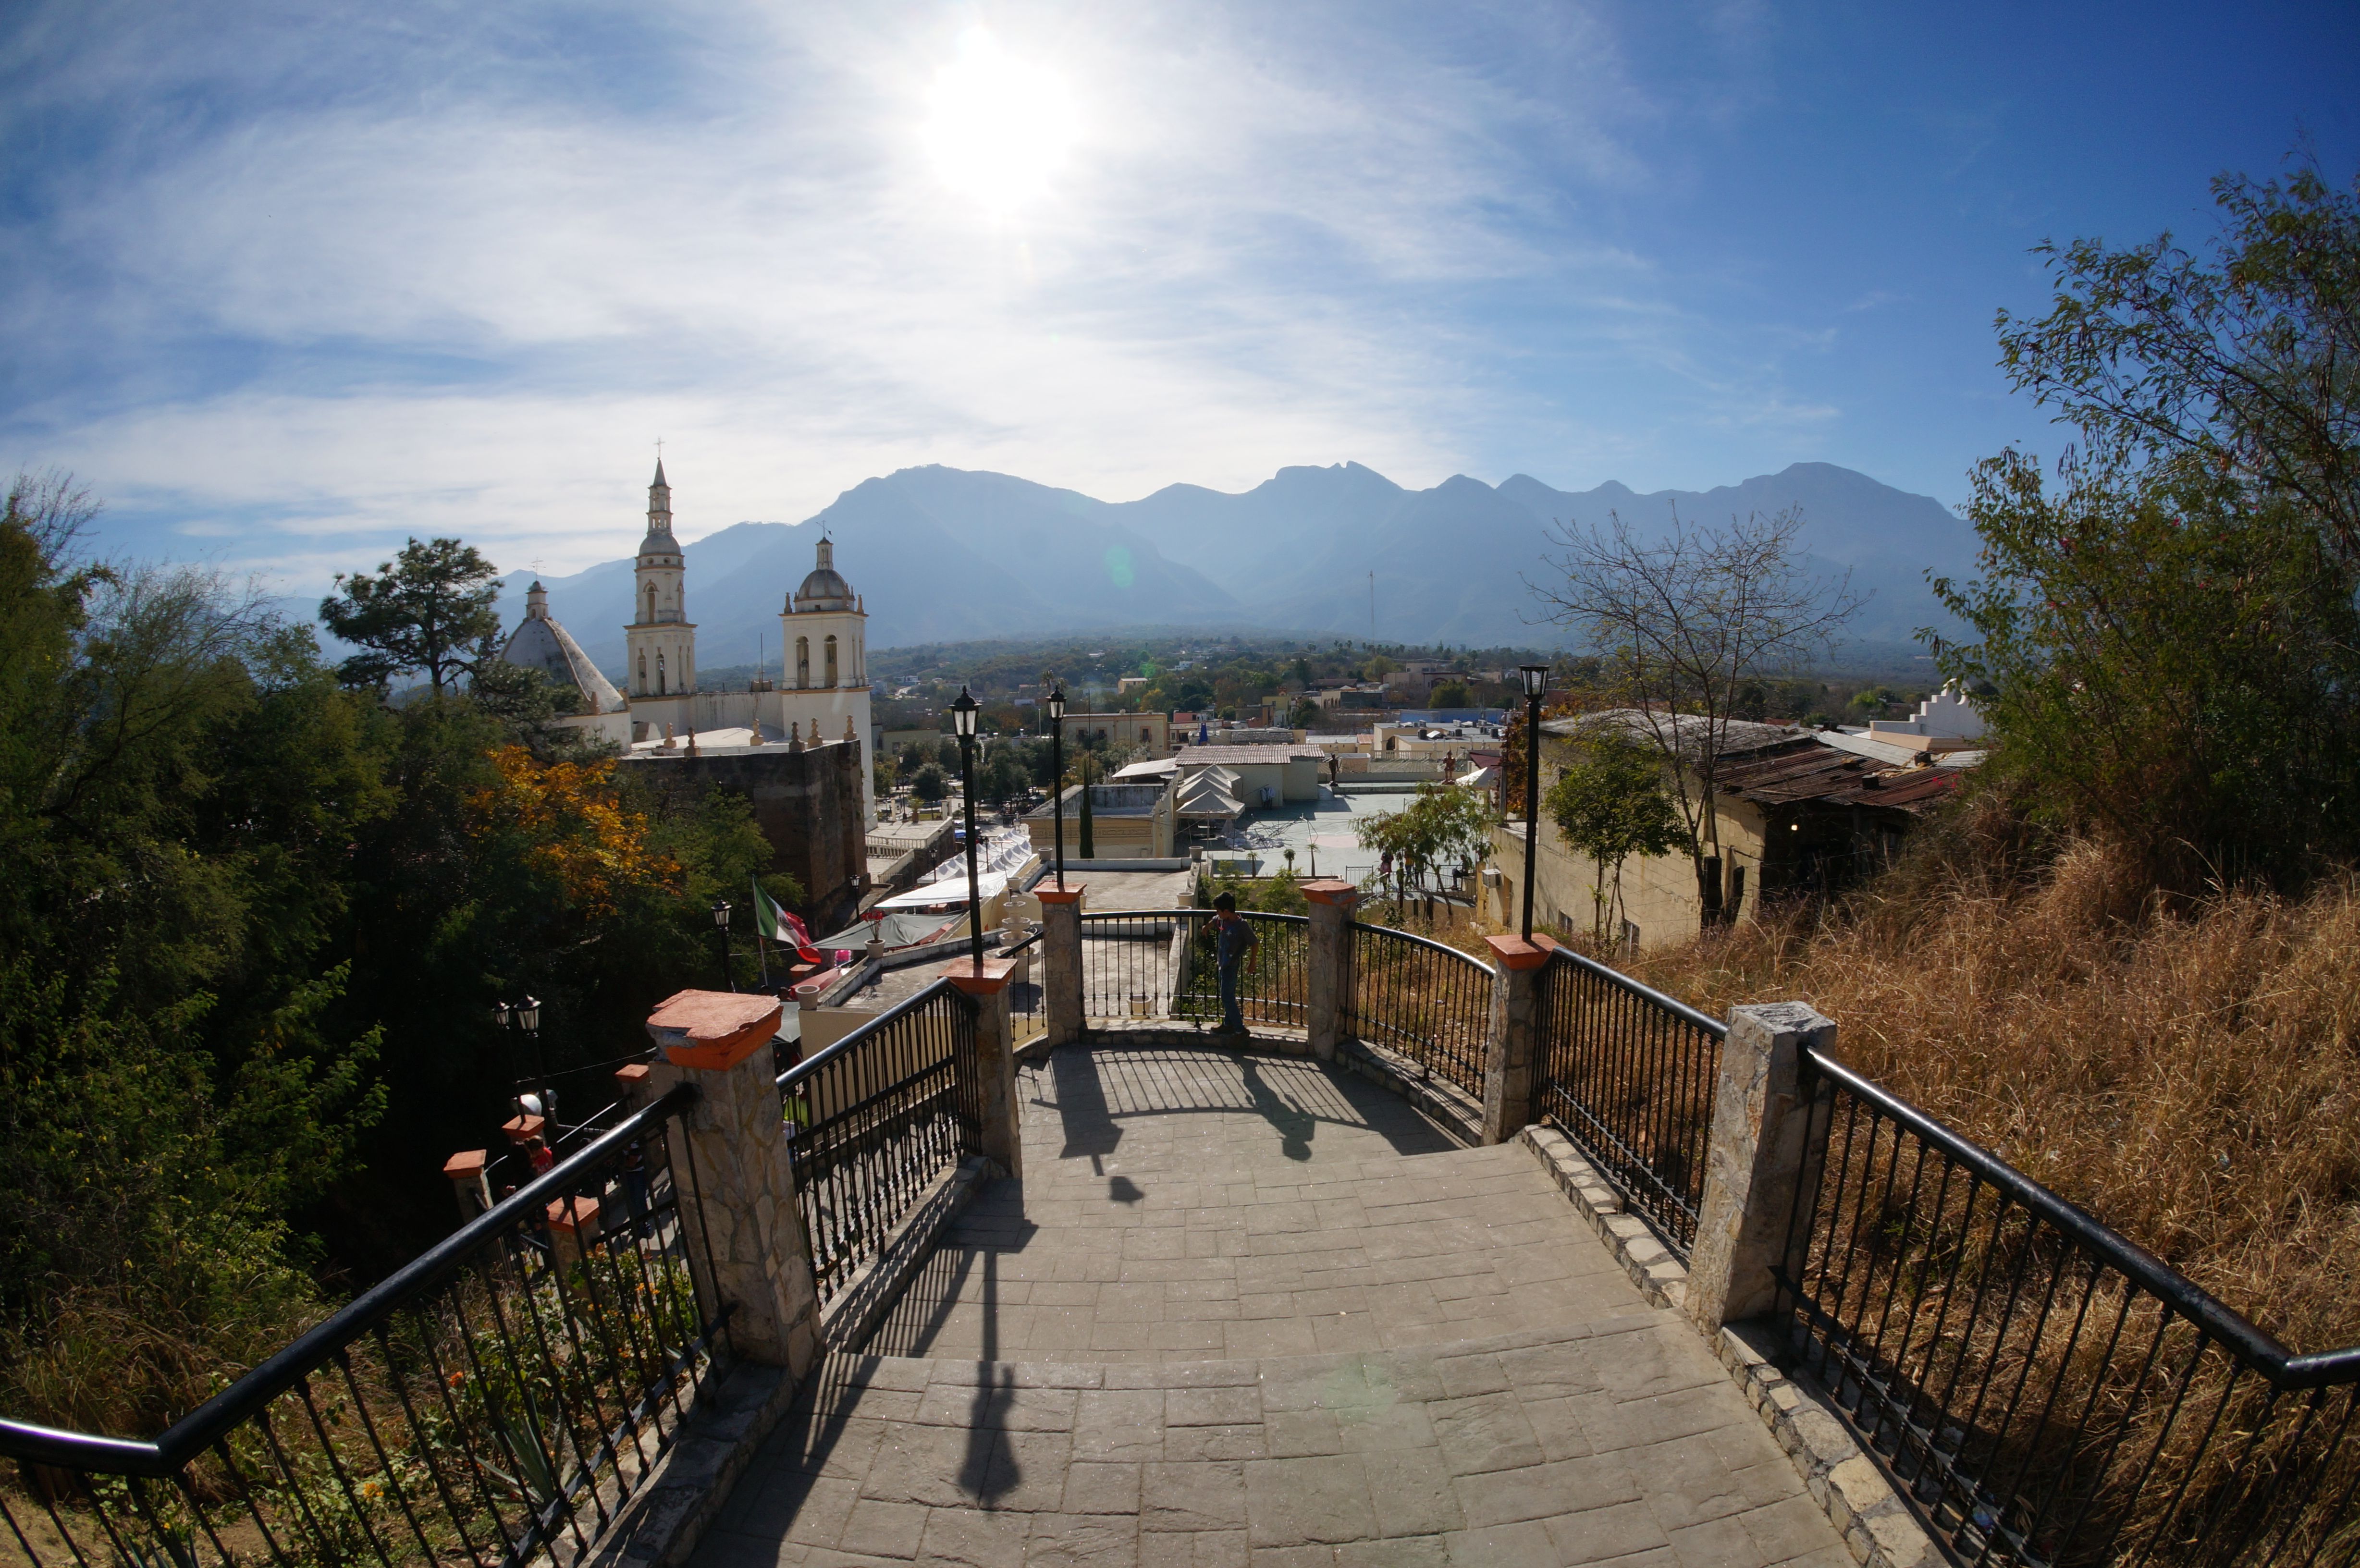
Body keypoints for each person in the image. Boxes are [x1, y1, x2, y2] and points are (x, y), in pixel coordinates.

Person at [1207, 891, 1256, 1036]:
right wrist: (1206, 927)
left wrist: (1252, 963)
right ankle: (1228, 1024)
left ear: (1226, 911)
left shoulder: (1241, 926)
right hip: (1223, 963)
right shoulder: (1223, 920)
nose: (1217, 913)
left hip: (1232, 965)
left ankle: (1239, 1029)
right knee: (1228, 995)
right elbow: (1214, 920)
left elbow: (1254, 943)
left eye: (1218, 910)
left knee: (1226, 997)